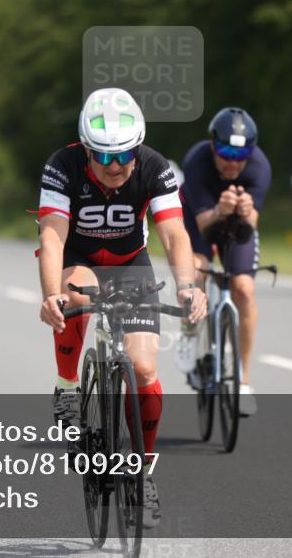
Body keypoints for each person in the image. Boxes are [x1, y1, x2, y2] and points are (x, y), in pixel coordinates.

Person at [37, 87, 207, 527]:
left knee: (145, 369)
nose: (115, 167)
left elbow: (174, 234)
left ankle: (144, 472)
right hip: (81, 259)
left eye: (123, 155)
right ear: (86, 150)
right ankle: (67, 387)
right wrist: (49, 294)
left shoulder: (153, 166)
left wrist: (188, 286)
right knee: (74, 295)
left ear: (138, 147)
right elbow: (53, 234)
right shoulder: (62, 165)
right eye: (103, 156)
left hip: (132, 264)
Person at [176, 107, 272, 416]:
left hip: (235, 224)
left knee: (243, 289)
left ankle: (243, 382)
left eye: (241, 154)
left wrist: (245, 211)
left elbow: (252, 224)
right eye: (226, 152)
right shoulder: (196, 160)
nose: (233, 161)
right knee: (198, 270)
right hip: (198, 217)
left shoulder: (259, 167)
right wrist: (220, 209)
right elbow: (205, 225)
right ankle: (190, 334)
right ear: (213, 146)